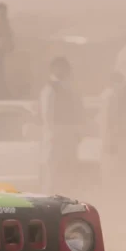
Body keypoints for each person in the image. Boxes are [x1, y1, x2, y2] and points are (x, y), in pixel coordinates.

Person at [38, 57, 86, 195]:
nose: (66, 71)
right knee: (53, 175)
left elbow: (76, 113)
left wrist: (76, 133)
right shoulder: (50, 89)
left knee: (68, 174)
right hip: (56, 137)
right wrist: (53, 135)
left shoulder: (68, 87)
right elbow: (48, 116)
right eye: (63, 68)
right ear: (54, 69)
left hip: (67, 136)